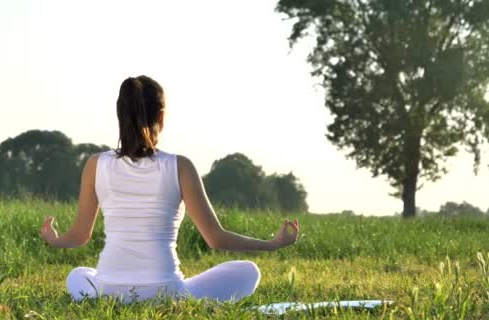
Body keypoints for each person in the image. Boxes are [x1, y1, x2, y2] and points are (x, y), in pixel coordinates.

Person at [40, 75, 300, 303]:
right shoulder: (180, 167)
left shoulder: (95, 164)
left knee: (78, 275)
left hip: (108, 290)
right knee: (248, 271)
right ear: (161, 118)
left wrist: (53, 239)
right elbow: (215, 238)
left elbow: (79, 235)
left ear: (120, 116)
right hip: (166, 292)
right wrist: (272, 244)